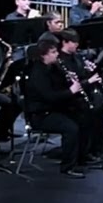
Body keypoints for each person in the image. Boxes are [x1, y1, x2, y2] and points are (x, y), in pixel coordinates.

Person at [24, 40, 92, 178]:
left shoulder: (53, 67)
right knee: (70, 128)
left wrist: (70, 80)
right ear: (44, 56)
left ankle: (81, 157)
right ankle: (67, 167)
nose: (57, 55)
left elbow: (59, 87)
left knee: (83, 117)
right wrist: (71, 91)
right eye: (53, 52)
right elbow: (50, 96)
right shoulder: (38, 73)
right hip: (41, 114)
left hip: (53, 109)